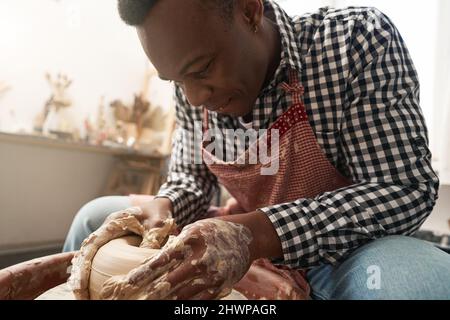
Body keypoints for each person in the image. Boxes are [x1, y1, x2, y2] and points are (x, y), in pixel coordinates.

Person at [63, 0, 450, 299]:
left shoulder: (353, 42)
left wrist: (260, 233)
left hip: (343, 254)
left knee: (427, 281)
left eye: (201, 70)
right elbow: (191, 178)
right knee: (94, 218)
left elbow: (403, 188)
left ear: (249, 10)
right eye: (176, 81)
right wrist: (166, 205)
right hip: (230, 239)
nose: (195, 97)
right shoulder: (192, 90)